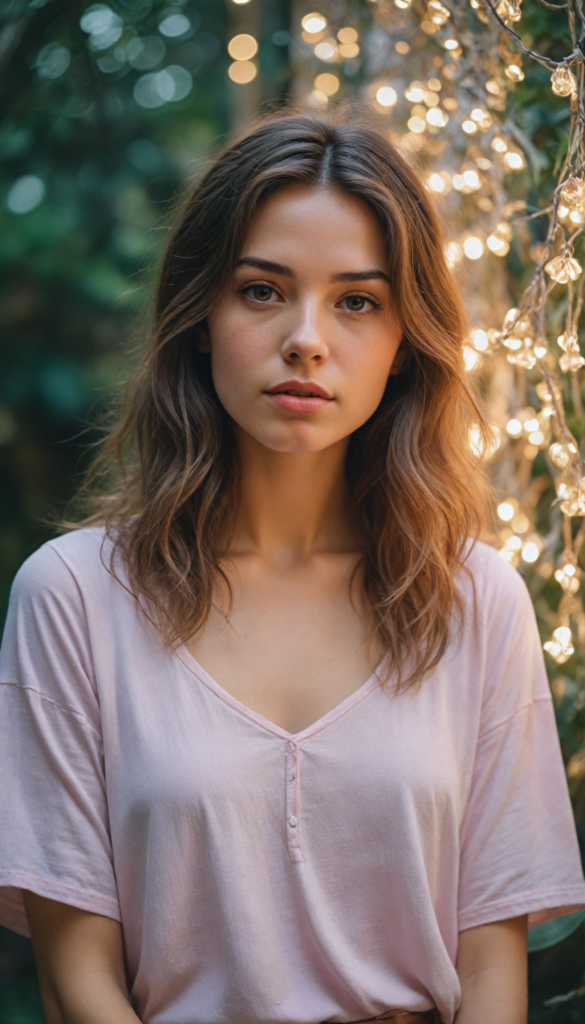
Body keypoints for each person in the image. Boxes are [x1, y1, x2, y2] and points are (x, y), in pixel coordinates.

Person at [0, 108, 584, 1024]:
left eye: (357, 301)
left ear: (401, 345)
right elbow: (78, 981)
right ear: (199, 317)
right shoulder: (72, 595)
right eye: (262, 290)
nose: (306, 338)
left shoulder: (476, 599)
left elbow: (492, 968)